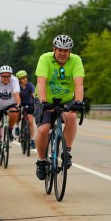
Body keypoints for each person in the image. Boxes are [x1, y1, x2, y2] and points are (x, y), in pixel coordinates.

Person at [34, 34, 85, 180]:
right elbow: (42, 82)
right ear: (54, 49)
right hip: (45, 99)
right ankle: (41, 161)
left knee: (71, 116)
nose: (63, 53)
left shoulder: (76, 60)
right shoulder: (45, 58)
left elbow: (78, 84)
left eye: (66, 51)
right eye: (60, 50)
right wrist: (44, 102)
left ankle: (66, 152)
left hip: (67, 99)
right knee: (43, 129)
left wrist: (79, 102)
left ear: (70, 52)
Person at [0, 65, 21, 160]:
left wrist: (18, 105)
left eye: (8, 76)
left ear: (11, 76)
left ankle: (10, 130)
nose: (6, 78)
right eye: (4, 76)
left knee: (14, 111)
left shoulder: (14, 80)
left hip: (10, 104)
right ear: (0, 76)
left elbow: (17, 94)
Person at [14, 70, 36, 149]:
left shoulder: (30, 85)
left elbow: (33, 94)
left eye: (25, 78)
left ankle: (32, 140)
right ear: (19, 80)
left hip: (29, 104)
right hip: (20, 104)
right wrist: (18, 105)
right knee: (17, 114)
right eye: (22, 78)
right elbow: (16, 96)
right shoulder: (17, 87)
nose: (25, 79)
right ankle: (16, 126)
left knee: (30, 121)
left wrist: (36, 100)